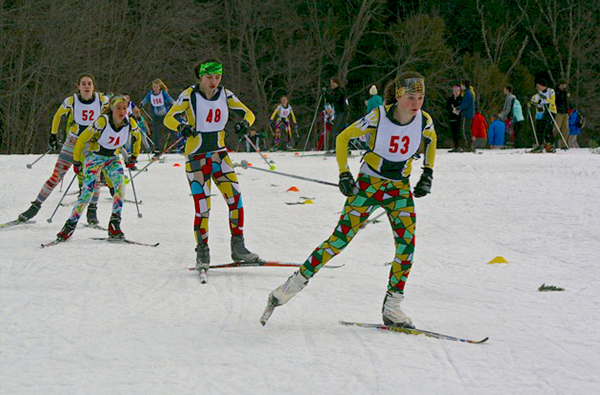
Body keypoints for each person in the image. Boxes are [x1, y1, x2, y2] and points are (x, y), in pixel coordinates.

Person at [264, 71, 437, 328]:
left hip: (399, 189)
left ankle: (393, 305)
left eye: (421, 97)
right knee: (339, 240)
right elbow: (343, 137)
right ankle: (292, 285)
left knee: (406, 247)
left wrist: (428, 173)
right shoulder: (379, 116)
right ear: (399, 97)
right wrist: (344, 173)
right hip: (369, 186)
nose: (416, 103)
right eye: (411, 97)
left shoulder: (423, 120)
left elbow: (432, 141)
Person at [163, 59, 260, 274]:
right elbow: (169, 118)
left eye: (217, 77)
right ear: (201, 77)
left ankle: (238, 246)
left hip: (219, 156)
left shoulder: (226, 94)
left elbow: (249, 113)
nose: (214, 82)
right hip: (196, 159)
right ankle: (202, 251)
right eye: (209, 77)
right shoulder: (189, 95)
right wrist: (182, 128)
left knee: (236, 199)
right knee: (203, 208)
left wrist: (245, 123)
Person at [17, 74, 109, 225]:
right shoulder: (72, 101)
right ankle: (34, 207)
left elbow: (111, 115)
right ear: (78, 87)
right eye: (83, 84)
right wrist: (53, 135)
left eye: (89, 84)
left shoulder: (102, 100)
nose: (86, 86)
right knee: (56, 175)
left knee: (95, 178)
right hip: (72, 142)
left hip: (90, 144)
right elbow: (58, 116)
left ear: (93, 87)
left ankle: (92, 212)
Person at [55, 95, 141, 241]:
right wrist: (76, 161)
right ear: (112, 109)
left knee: (120, 187)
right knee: (87, 192)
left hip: (113, 159)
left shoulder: (130, 123)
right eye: (118, 108)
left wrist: (134, 157)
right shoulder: (102, 121)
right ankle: (69, 226)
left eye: (125, 108)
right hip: (95, 158)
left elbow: (137, 139)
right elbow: (82, 139)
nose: (121, 111)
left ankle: (114, 224)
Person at [139, 79, 174, 156]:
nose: (155, 88)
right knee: (156, 132)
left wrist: (174, 104)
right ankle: (157, 148)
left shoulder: (163, 93)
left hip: (165, 116)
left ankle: (176, 144)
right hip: (156, 117)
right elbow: (146, 99)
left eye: (157, 87)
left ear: (159, 87)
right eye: (154, 87)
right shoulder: (150, 94)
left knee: (171, 129)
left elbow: (170, 99)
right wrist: (142, 103)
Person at [530, 79, 557, 153]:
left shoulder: (550, 91)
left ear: (542, 86)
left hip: (551, 111)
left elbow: (552, 101)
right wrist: (532, 102)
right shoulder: (539, 93)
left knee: (548, 128)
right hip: (543, 112)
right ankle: (541, 145)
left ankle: (551, 145)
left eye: (538, 86)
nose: (537, 88)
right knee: (541, 128)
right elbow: (534, 99)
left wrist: (545, 98)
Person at [324, 77, 348, 151]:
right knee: (338, 130)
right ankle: (339, 147)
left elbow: (334, 99)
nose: (331, 84)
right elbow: (331, 100)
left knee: (336, 130)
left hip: (342, 112)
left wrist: (326, 93)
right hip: (339, 112)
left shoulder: (339, 91)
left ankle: (338, 147)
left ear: (336, 83)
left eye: (332, 83)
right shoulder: (336, 91)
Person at [459, 79, 475, 152]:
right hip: (469, 114)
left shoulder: (467, 93)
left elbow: (465, 104)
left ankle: (468, 145)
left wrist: (459, 108)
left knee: (465, 130)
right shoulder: (469, 92)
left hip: (467, 114)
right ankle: (469, 145)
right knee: (468, 130)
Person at [446, 84, 462, 152]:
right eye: (455, 90)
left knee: (459, 132)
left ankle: (460, 146)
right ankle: (455, 146)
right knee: (453, 133)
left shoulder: (461, 99)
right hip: (452, 118)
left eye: (457, 90)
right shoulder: (450, 99)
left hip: (459, 118)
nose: (456, 92)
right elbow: (447, 107)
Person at [555, 80, 570, 149]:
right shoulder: (557, 92)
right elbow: (558, 99)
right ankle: (552, 142)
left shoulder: (565, 93)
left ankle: (564, 144)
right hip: (558, 112)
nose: (564, 86)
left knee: (566, 128)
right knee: (556, 128)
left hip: (565, 112)